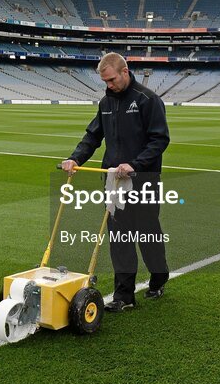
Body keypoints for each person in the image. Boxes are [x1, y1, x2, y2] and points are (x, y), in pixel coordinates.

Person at [61, 52, 171, 312]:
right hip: (113, 181)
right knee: (119, 237)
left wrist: (135, 164)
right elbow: (92, 136)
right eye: (105, 82)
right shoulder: (106, 102)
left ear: (125, 71)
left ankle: (158, 278)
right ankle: (124, 296)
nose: (108, 85)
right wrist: (74, 159)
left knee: (147, 233)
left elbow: (159, 140)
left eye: (111, 80)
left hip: (143, 180)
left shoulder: (147, 100)